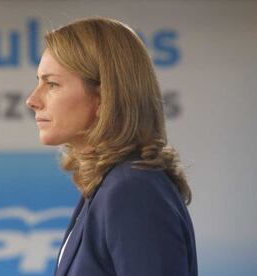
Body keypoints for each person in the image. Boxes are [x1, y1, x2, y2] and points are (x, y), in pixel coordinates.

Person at [25, 17, 197, 276]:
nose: (32, 100)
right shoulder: (107, 187)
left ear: (104, 98)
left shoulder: (132, 190)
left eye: (52, 84)